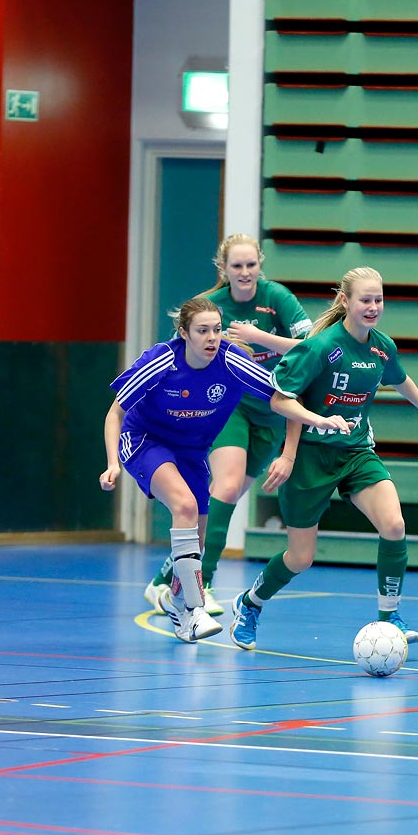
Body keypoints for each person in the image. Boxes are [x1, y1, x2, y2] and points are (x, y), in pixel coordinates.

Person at [228, 266, 418, 651]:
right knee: (300, 558)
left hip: (354, 452)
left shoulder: (382, 346)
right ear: (345, 302)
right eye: (365, 300)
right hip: (309, 458)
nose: (372, 308)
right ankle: (250, 604)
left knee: (394, 524)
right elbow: (283, 399)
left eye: (378, 300)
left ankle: (390, 617)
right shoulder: (321, 347)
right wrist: (289, 453)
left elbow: (401, 379)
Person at [101, 297, 353, 644]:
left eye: (217, 330)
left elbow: (284, 396)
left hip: (191, 452)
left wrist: (319, 420)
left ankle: (176, 600)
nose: (211, 338)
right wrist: (113, 462)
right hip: (144, 441)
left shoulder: (232, 363)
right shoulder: (160, 361)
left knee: (198, 543)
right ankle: (195, 607)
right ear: (184, 333)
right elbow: (115, 412)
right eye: (202, 331)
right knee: (185, 506)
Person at [142, 234, 313, 617]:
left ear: (260, 264)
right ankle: (202, 584)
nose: (245, 272)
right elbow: (178, 357)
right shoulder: (209, 306)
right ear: (224, 269)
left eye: (251, 264)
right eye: (237, 266)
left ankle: (162, 581)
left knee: (226, 499)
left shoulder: (277, 299)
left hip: (272, 410)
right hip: (227, 405)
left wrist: (258, 338)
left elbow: (309, 347)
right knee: (227, 486)